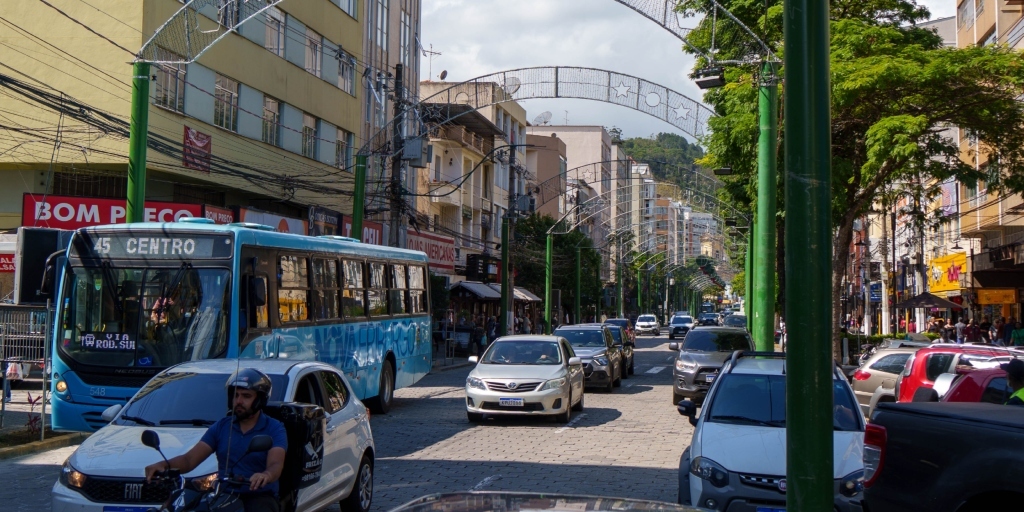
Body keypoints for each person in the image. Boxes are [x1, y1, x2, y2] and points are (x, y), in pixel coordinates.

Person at [145, 369, 288, 512]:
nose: (238, 401)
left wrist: (266, 475)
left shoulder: (274, 428)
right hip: (225, 496)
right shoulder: (222, 426)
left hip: (259, 496)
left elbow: (275, 464)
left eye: (246, 396)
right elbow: (189, 460)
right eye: (235, 395)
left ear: (260, 400)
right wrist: (163, 465)